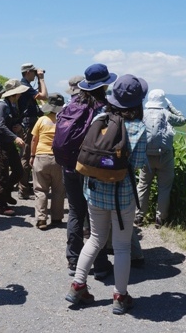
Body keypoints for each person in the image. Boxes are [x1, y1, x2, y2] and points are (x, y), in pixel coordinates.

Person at [65, 74, 148, 316]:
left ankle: (78, 285)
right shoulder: (139, 129)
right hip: (122, 196)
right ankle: (120, 296)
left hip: (94, 190)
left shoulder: (100, 118)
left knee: (95, 239)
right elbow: (140, 163)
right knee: (122, 246)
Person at [61, 66, 116, 279]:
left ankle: (74, 260)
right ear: (104, 84)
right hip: (92, 167)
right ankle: (101, 264)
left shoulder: (71, 104)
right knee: (96, 215)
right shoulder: (105, 107)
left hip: (68, 166)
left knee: (75, 211)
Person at [135, 89, 186, 228]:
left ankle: (139, 216)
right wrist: (170, 106)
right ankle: (160, 218)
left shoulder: (143, 114)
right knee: (164, 187)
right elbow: (182, 120)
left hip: (146, 156)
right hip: (165, 156)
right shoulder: (166, 113)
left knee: (143, 185)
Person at [0, 79, 28, 216]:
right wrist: (15, 137)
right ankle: (2, 205)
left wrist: (20, 126)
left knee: (18, 171)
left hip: (7, 143)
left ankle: (5, 194)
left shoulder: (12, 105)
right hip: (0, 143)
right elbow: (0, 126)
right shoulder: (3, 106)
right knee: (2, 175)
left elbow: (13, 122)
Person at [29, 92, 66, 230]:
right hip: (58, 159)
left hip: (41, 156)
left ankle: (41, 219)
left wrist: (32, 156)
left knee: (40, 189)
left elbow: (34, 139)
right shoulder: (63, 121)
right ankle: (56, 218)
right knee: (58, 190)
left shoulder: (41, 120)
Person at [17, 63, 48, 200]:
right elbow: (44, 96)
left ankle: (23, 186)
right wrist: (41, 78)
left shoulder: (24, 85)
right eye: (34, 72)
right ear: (28, 72)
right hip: (28, 124)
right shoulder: (25, 86)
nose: (35, 74)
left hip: (27, 123)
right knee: (27, 154)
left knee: (27, 153)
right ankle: (23, 189)